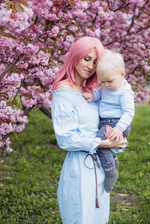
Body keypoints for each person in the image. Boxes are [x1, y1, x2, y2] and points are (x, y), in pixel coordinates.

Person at [51, 37, 127, 224]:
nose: (91, 66)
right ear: (75, 56)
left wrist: (116, 141)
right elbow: (66, 138)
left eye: (95, 62)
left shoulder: (90, 91)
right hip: (79, 166)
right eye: (86, 59)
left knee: (98, 218)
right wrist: (103, 143)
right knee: (81, 216)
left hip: (100, 165)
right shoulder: (64, 90)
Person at [83, 49, 135, 193]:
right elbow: (100, 92)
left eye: (109, 81)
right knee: (104, 145)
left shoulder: (124, 93)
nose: (106, 85)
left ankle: (110, 171)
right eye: (103, 81)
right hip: (106, 122)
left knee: (99, 144)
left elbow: (129, 112)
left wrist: (118, 128)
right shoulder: (107, 85)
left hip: (116, 123)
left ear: (122, 74)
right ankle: (113, 159)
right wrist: (93, 95)